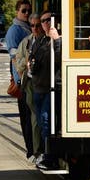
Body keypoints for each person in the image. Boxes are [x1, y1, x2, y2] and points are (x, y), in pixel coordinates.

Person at [29, 11, 62, 170]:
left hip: (52, 87)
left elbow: (60, 60)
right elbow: (33, 60)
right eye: (43, 21)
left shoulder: (59, 39)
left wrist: (56, 40)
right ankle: (44, 152)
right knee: (42, 123)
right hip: (38, 87)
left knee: (46, 120)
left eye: (48, 20)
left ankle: (50, 156)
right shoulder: (40, 40)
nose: (45, 23)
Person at [4, 0, 35, 161]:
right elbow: (14, 59)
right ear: (17, 11)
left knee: (32, 118)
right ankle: (30, 150)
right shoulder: (15, 31)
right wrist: (19, 81)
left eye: (29, 10)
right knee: (26, 118)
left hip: (32, 80)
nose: (27, 13)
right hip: (23, 82)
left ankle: (34, 149)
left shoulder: (30, 27)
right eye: (24, 10)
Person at [14, 12, 42, 163]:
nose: (35, 28)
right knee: (33, 118)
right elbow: (18, 64)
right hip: (31, 84)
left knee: (39, 118)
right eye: (32, 25)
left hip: (43, 83)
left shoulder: (46, 41)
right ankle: (36, 151)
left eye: (38, 25)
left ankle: (40, 150)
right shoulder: (26, 42)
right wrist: (27, 64)